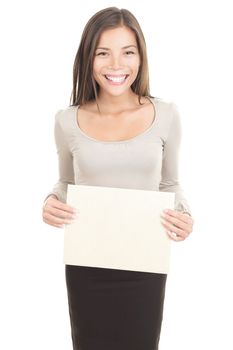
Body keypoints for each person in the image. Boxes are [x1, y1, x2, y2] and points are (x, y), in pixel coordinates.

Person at [42, 6, 194, 350]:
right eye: (103, 53)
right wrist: (50, 202)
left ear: (140, 57)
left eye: (127, 52)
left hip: (144, 261)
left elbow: (169, 184)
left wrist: (183, 215)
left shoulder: (165, 115)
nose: (116, 65)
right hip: (87, 263)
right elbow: (66, 183)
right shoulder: (67, 121)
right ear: (88, 58)